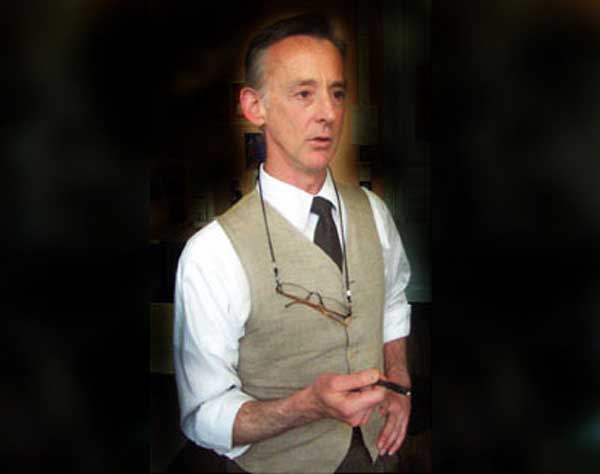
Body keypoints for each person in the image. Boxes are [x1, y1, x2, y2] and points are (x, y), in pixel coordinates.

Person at [173, 13, 412, 473]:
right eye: (304, 93)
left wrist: (399, 381)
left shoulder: (374, 212)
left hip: (381, 454)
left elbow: (394, 299)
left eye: (336, 93)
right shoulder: (212, 254)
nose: (328, 113)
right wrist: (306, 407)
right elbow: (203, 414)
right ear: (254, 107)